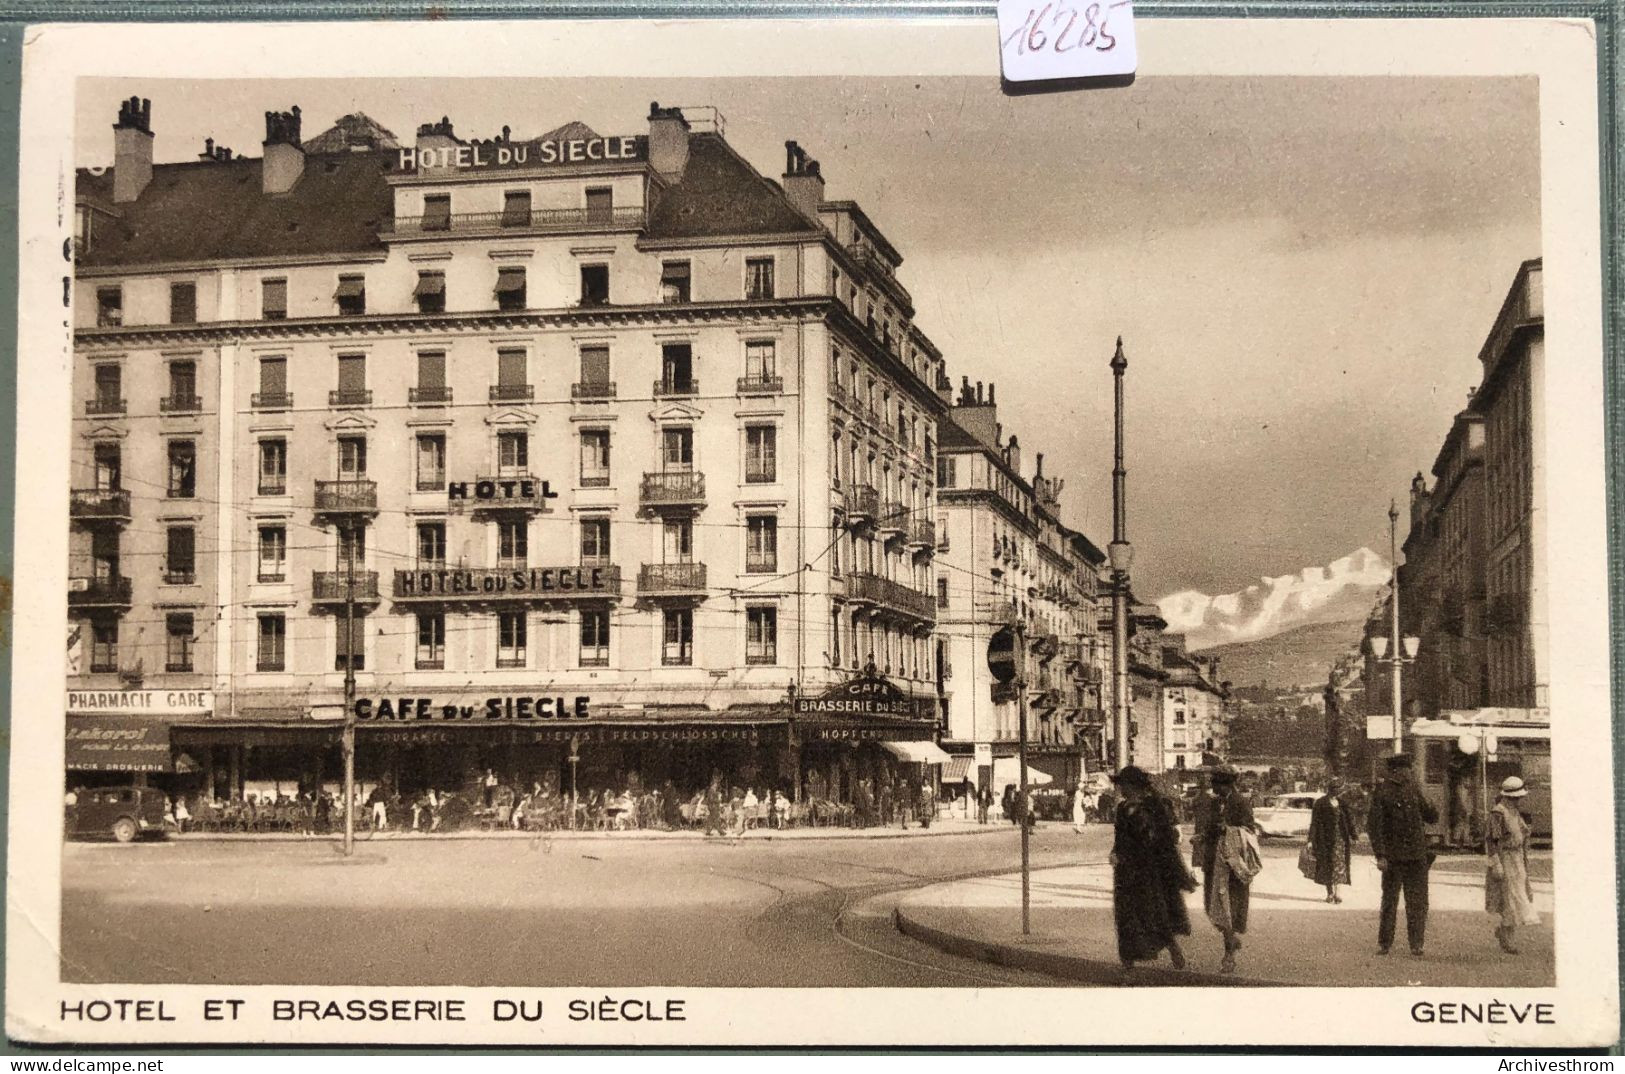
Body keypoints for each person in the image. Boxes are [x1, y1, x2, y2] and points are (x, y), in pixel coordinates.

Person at [1109, 765, 1195, 973]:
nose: (1121, 789)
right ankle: (1127, 965)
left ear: (1134, 786)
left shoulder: (1153, 807)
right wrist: (1115, 852)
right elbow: (1120, 837)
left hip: (1148, 869)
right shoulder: (1122, 809)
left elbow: (1164, 840)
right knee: (1126, 916)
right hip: (1126, 871)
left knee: (1153, 912)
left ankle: (1173, 947)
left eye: (1124, 785)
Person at [1367, 752, 1440, 958]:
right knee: (1390, 902)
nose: (1411, 772)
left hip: (1417, 856)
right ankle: (1385, 943)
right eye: (1408, 769)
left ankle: (1416, 944)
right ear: (1398, 770)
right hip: (1393, 858)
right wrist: (1380, 855)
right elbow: (1375, 826)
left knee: (1418, 902)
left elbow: (1432, 817)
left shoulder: (1415, 789)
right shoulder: (1382, 792)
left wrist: (1427, 799)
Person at [1199, 764, 1259, 974]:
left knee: (1228, 909)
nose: (1213, 787)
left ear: (1227, 784)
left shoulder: (1241, 802)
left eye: (1216, 783)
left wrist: (1229, 830)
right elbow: (1209, 827)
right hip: (1213, 861)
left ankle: (1229, 955)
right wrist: (1203, 836)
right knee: (1211, 907)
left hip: (1232, 864)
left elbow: (1250, 830)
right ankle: (1231, 940)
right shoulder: (1215, 803)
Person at [1486, 776, 1540, 954]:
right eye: (1516, 798)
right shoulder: (1498, 813)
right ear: (1508, 797)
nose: (1518, 801)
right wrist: (1496, 863)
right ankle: (1507, 937)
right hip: (1505, 858)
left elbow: (1522, 835)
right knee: (1508, 899)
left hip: (1516, 859)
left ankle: (1504, 932)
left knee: (1517, 897)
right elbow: (1492, 841)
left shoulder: (1514, 812)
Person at [1308, 777, 1356, 903]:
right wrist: (1310, 840)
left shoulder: (1342, 803)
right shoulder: (1320, 803)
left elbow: (1349, 821)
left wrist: (1353, 835)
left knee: (1340, 866)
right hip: (1325, 840)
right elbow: (1314, 823)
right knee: (1327, 865)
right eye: (1337, 790)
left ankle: (1338, 893)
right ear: (1331, 790)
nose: (1339, 792)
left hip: (1341, 840)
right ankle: (1330, 893)